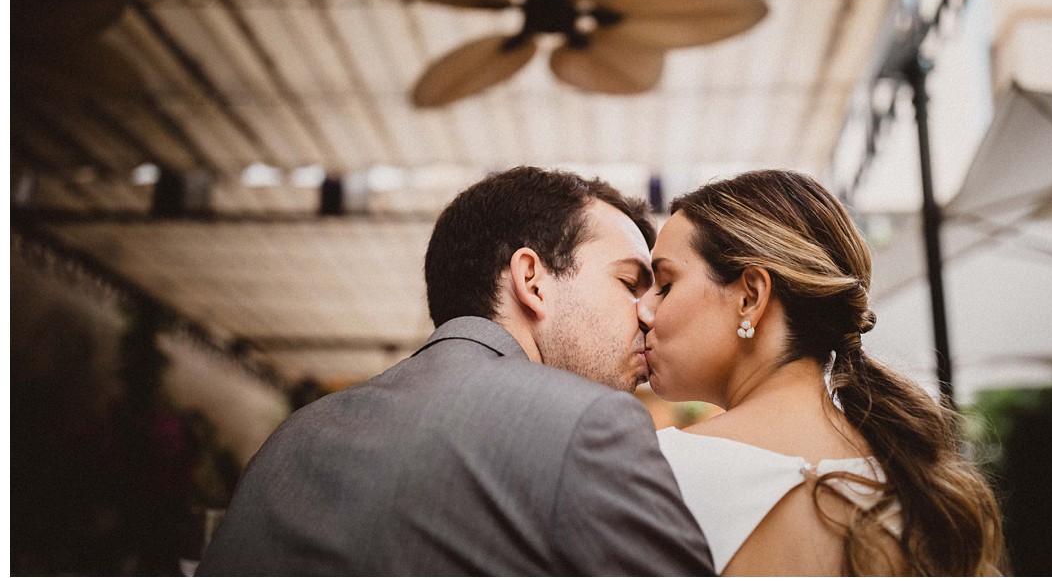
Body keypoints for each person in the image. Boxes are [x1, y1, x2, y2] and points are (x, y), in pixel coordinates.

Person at [197, 167, 713, 576]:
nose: (648, 312)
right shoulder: (590, 423)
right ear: (532, 280)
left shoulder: (292, 439)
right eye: (629, 282)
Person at [639, 170, 1005, 576]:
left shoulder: (660, 472)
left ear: (750, 296)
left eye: (666, 284)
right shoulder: (915, 480)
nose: (644, 310)